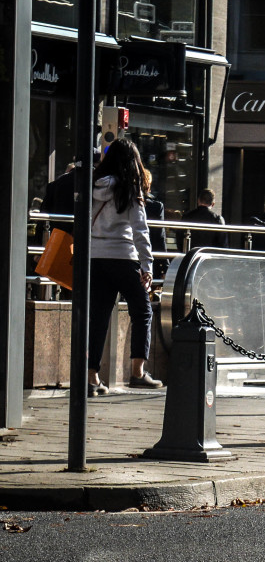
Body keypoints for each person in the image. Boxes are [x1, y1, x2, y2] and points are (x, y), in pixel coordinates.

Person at [87, 138, 161, 393]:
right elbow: (141, 231)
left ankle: (92, 378)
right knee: (142, 312)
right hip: (124, 257)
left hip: (95, 259)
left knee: (98, 318)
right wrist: (147, 265)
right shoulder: (130, 189)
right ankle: (137, 372)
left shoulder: (92, 186)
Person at [141, 169, 168, 277]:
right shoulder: (156, 206)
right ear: (148, 185)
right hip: (150, 255)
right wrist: (164, 265)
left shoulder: (125, 202)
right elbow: (160, 236)